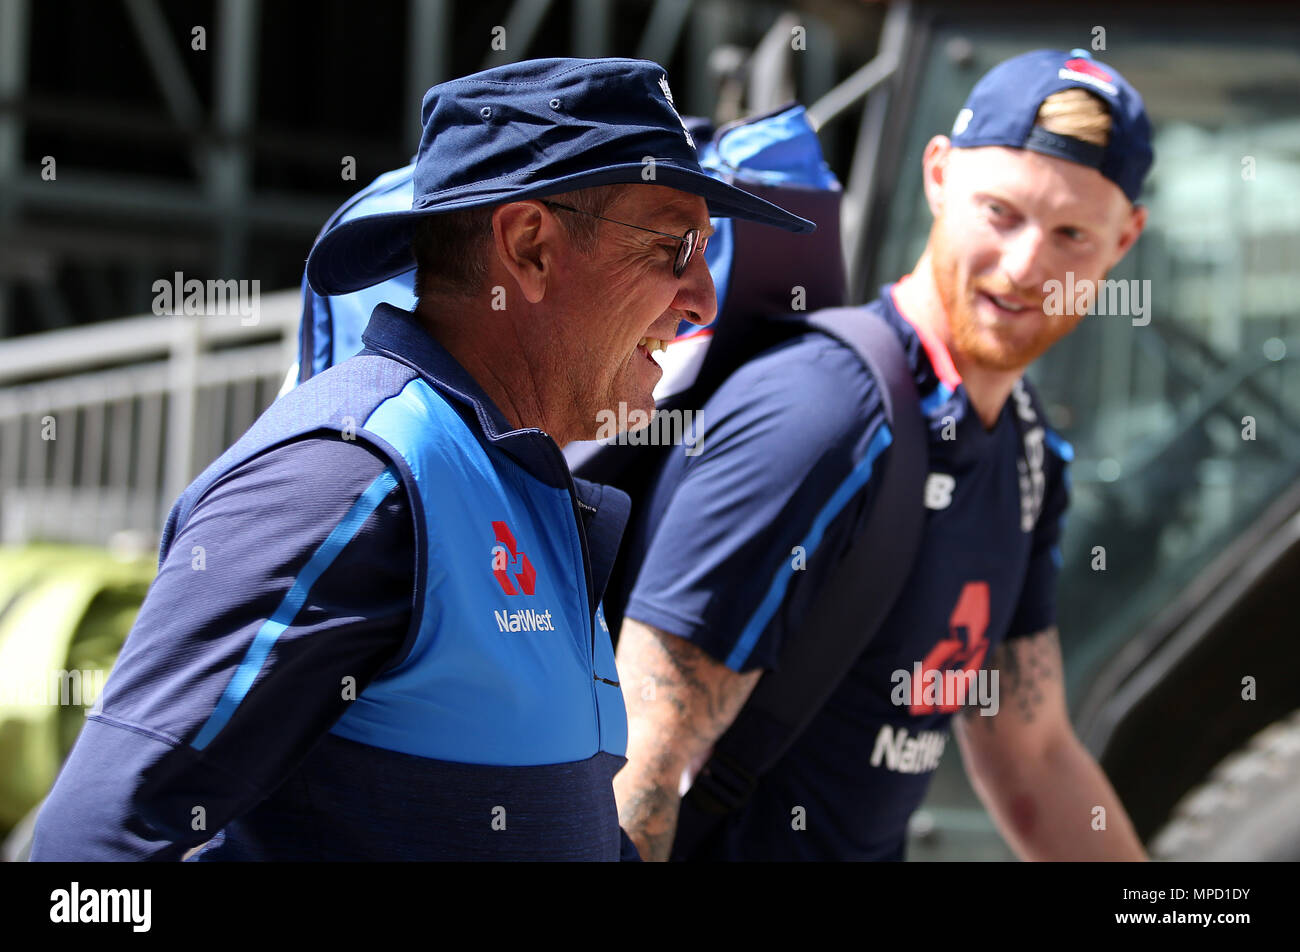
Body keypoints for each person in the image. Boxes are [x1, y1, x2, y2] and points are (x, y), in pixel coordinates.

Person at [29, 57, 811, 861]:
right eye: (675, 246)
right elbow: (88, 860)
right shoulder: (347, 477)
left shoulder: (509, 477)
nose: (703, 299)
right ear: (530, 247)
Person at [612, 48, 1153, 861]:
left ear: (1124, 242)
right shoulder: (822, 416)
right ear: (938, 176)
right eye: (1000, 212)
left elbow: (1036, 761)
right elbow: (636, 766)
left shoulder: (1026, 448)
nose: (1025, 267)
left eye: (1072, 233)